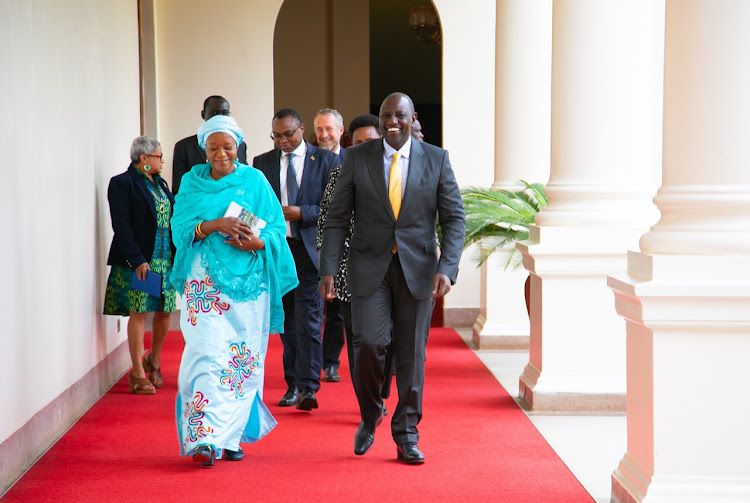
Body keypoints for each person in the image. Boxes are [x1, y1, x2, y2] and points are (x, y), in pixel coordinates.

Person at [319, 93, 466, 465]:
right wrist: (329, 269)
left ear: (412, 117)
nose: (392, 122)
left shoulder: (437, 159)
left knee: (412, 356)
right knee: (368, 343)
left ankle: (407, 435)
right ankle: (371, 414)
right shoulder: (357, 158)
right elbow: (337, 218)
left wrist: (447, 268)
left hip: (418, 272)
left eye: (400, 115)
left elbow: (454, 219)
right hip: (369, 268)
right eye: (386, 116)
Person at [170, 115, 298, 467]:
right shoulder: (191, 183)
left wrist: (256, 241)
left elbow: (274, 228)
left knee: (241, 363)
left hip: (248, 286)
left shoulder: (255, 180)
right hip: (203, 286)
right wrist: (217, 224)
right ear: (203, 149)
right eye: (213, 148)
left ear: (238, 146)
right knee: (207, 355)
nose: (221, 154)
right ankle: (204, 439)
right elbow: (179, 228)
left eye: (228, 147)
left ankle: (233, 435)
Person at [253, 108, 338, 411]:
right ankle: (292, 385)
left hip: (310, 252)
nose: (283, 141)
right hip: (278, 250)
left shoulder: (327, 160)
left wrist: (301, 212)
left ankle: (308, 387)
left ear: (302, 129)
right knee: (287, 322)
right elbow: (257, 206)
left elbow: (335, 208)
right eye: (276, 136)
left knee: (310, 321)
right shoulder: (261, 163)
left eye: (288, 134)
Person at [104, 136, 176, 395]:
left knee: (165, 311)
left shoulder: (160, 184)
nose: (162, 160)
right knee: (140, 313)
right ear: (143, 158)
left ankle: (154, 361)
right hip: (141, 262)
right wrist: (138, 260)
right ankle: (136, 372)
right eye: (158, 156)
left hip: (165, 260)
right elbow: (121, 226)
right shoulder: (122, 184)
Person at [313, 108, 346, 383]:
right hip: (308, 244)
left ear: (340, 131)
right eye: (320, 130)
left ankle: (330, 362)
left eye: (329, 129)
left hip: (340, 247)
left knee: (336, 312)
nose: (324, 134)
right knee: (309, 309)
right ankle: (308, 364)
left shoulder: (353, 161)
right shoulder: (309, 161)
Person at [171, 95, 248, 194]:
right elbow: (179, 189)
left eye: (224, 113)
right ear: (203, 114)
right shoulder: (184, 147)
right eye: (215, 113)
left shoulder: (240, 145)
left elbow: (244, 183)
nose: (219, 117)